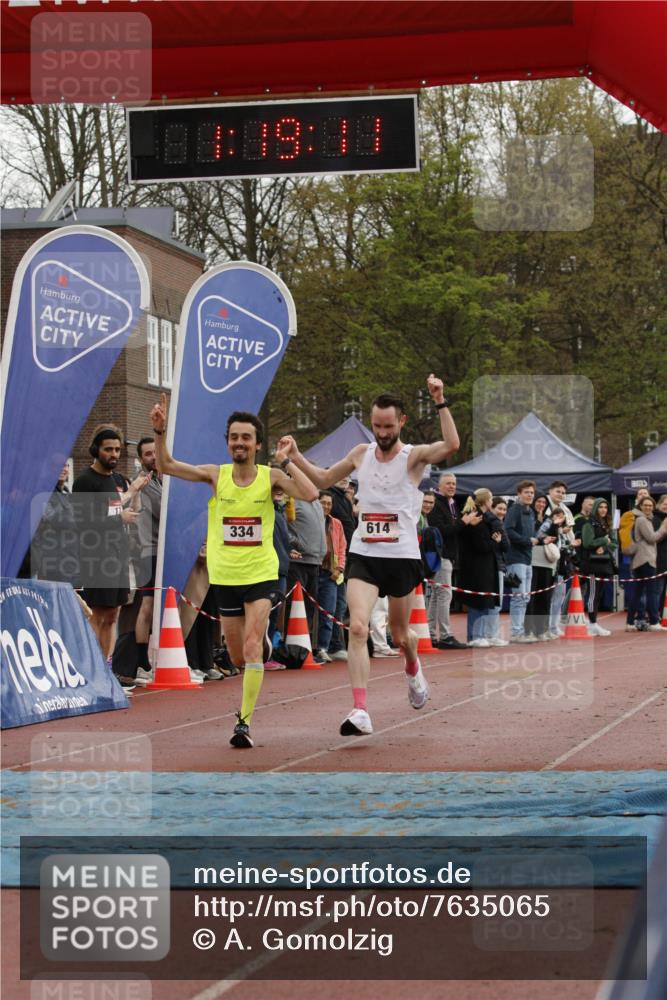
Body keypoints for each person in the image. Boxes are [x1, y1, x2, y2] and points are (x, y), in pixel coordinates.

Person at [277, 373, 459, 736]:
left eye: (388, 426)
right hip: (365, 553)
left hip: (403, 556)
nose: (382, 432)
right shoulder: (361, 454)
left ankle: (412, 668)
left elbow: (451, 444)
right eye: (376, 425)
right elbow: (324, 479)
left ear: (401, 422)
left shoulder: (413, 458)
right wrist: (295, 457)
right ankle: (360, 710)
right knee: (357, 626)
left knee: (401, 633)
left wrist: (439, 400)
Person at [150, 393, 319, 748]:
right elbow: (166, 466)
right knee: (238, 654)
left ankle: (243, 723)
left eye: (246, 438)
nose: (239, 443)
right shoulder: (216, 475)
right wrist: (160, 433)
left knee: (252, 646)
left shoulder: (270, 476)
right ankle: (266, 653)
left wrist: (287, 463)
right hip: (225, 576)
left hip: (261, 574)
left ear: (257, 444)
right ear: (227, 442)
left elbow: (311, 493)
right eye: (234, 437)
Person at [72, 426, 148, 660]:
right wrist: (118, 517)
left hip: (118, 555)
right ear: (96, 450)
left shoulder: (117, 479)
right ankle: (92, 667)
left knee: (114, 614)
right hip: (96, 557)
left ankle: (107, 668)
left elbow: (131, 510)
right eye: (108, 449)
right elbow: (84, 521)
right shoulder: (85, 481)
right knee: (98, 615)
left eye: (117, 449)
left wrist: (135, 491)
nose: (114, 454)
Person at [426, 472, 467, 649]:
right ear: (440, 486)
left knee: (437, 595)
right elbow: (442, 530)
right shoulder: (437, 505)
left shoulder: (452, 504)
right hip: (440, 555)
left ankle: (431, 633)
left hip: (447, 555)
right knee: (444, 594)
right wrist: (463, 523)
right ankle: (445, 635)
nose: (452, 486)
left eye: (454, 484)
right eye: (448, 483)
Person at [134, 436, 162, 684]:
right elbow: (165, 509)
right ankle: (141, 662)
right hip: (150, 552)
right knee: (148, 606)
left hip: (165, 552)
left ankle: (159, 658)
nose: (153, 457)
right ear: (141, 459)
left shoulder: (162, 480)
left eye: (156, 452)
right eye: (148, 454)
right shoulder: (145, 482)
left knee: (163, 606)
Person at [457, 489, 499, 647]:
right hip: (476, 566)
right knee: (477, 601)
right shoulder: (475, 517)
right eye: (491, 498)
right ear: (484, 501)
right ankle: (475, 636)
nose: (492, 501)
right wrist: (495, 541)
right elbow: (480, 545)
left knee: (483, 601)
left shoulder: (483, 518)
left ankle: (479, 635)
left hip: (483, 566)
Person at [31, 463, 80, 586]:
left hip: (71, 560)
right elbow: (57, 520)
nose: (63, 469)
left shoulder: (67, 493)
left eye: (65, 465)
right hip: (54, 562)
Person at [314, 491, 346, 664]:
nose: (326, 506)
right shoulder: (311, 520)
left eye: (328, 503)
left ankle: (323, 648)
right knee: (309, 612)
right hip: (312, 570)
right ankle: (307, 647)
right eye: (322, 502)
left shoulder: (336, 523)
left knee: (328, 612)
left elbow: (342, 548)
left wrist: (339, 569)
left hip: (330, 574)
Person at [626, 495, 667, 631]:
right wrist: (664, 527)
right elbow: (652, 538)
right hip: (646, 560)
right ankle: (654, 622)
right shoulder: (643, 520)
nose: (648, 507)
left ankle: (630, 622)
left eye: (650, 505)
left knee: (637, 593)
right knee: (651, 593)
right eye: (646, 505)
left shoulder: (642, 519)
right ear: (640, 506)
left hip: (640, 560)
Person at [504, 480, 537, 642]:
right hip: (515, 559)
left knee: (525, 597)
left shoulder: (530, 512)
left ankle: (520, 631)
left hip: (527, 559)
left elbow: (532, 536)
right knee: (518, 596)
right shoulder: (514, 510)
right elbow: (508, 531)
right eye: (526, 492)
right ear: (519, 494)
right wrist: (527, 541)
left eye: (532, 492)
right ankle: (516, 633)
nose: (530, 495)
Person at [525, 494, 560, 641]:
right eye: (538, 501)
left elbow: (554, 538)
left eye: (544, 502)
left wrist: (555, 526)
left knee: (544, 597)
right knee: (531, 596)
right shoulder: (528, 516)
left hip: (547, 561)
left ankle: (542, 629)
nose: (541, 504)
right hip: (532, 560)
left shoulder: (548, 520)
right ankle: (529, 630)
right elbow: (533, 536)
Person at [580, 499, 617, 636]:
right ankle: (592, 623)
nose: (603, 509)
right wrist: (603, 540)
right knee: (593, 594)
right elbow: (587, 543)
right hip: (592, 564)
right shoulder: (588, 524)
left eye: (605, 507)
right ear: (595, 508)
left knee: (598, 594)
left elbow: (614, 543)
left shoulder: (607, 523)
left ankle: (593, 623)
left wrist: (605, 545)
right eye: (600, 507)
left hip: (604, 563)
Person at [545, 481, 577, 637]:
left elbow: (570, 532)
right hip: (547, 554)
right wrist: (558, 530)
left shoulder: (566, 510)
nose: (561, 495)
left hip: (562, 556)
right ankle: (542, 626)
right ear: (550, 491)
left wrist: (573, 544)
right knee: (545, 593)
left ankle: (554, 625)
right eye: (558, 491)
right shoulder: (545, 506)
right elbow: (544, 529)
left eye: (563, 492)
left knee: (560, 592)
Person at [484, 497, 509, 645]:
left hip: (498, 564)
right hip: (496, 565)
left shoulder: (497, 522)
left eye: (504, 509)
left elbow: (505, 544)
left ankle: (491, 634)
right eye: (499, 508)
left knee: (494, 602)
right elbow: (506, 546)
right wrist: (500, 542)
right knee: (496, 602)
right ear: (492, 508)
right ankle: (491, 635)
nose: (502, 512)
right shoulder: (495, 523)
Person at [654, 494, 667, 618]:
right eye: (664, 503)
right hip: (659, 560)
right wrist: (664, 527)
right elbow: (653, 539)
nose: (666, 506)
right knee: (658, 590)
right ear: (658, 505)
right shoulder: (654, 519)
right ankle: (655, 616)